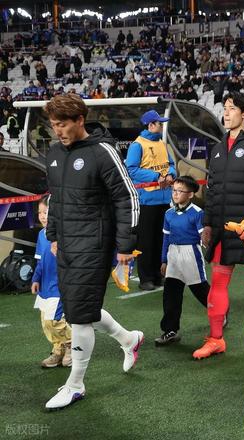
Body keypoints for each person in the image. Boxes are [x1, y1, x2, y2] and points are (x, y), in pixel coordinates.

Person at [43, 93, 143, 410]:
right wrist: (53, 234)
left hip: (94, 245)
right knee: (80, 308)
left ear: (79, 120)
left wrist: (125, 245)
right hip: (66, 244)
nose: (58, 130)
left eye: (62, 124)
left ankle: (75, 385)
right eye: (54, 125)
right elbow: (56, 198)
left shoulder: (103, 152)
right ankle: (129, 339)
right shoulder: (54, 153)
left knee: (80, 317)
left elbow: (127, 198)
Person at [199, 91, 244, 359]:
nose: (226, 113)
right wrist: (208, 223)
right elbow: (212, 190)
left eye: (232, 108)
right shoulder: (218, 148)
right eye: (225, 108)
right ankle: (215, 339)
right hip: (223, 228)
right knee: (217, 282)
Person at [125, 110, 176, 291]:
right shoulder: (137, 145)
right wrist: (156, 176)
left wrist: (170, 174)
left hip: (164, 199)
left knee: (160, 240)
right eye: (160, 123)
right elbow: (131, 169)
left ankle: (156, 275)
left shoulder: (161, 143)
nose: (162, 126)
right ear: (151, 125)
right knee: (146, 242)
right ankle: (145, 278)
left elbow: (171, 164)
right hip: (146, 201)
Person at [155, 176, 209, 346]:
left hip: (191, 254)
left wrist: (208, 245)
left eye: (180, 191)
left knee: (200, 290)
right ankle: (170, 330)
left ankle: (220, 312)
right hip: (173, 254)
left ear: (190, 194)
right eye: (174, 190)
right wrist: (164, 260)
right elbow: (166, 238)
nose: (175, 194)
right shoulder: (168, 214)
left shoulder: (198, 213)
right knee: (170, 293)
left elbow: (204, 238)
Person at [31, 195, 72, 368]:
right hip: (45, 287)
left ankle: (72, 344)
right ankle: (58, 349)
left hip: (59, 285)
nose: (42, 216)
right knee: (45, 323)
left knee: (54, 320)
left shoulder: (65, 235)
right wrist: (36, 279)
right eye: (40, 212)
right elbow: (40, 261)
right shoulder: (41, 235)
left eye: (46, 212)